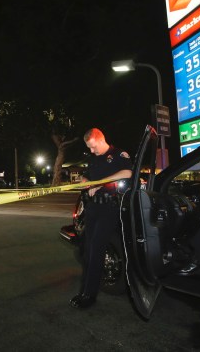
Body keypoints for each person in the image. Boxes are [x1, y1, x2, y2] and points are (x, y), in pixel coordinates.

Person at [70, 128, 132, 309]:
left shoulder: (119, 154)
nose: (91, 151)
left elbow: (127, 173)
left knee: (97, 249)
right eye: (89, 148)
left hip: (110, 208)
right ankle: (84, 290)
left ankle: (89, 295)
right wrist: (84, 180)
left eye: (92, 147)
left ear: (100, 139)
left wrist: (100, 183)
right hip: (93, 208)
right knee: (88, 250)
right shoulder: (94, 158)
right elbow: (87, 175)